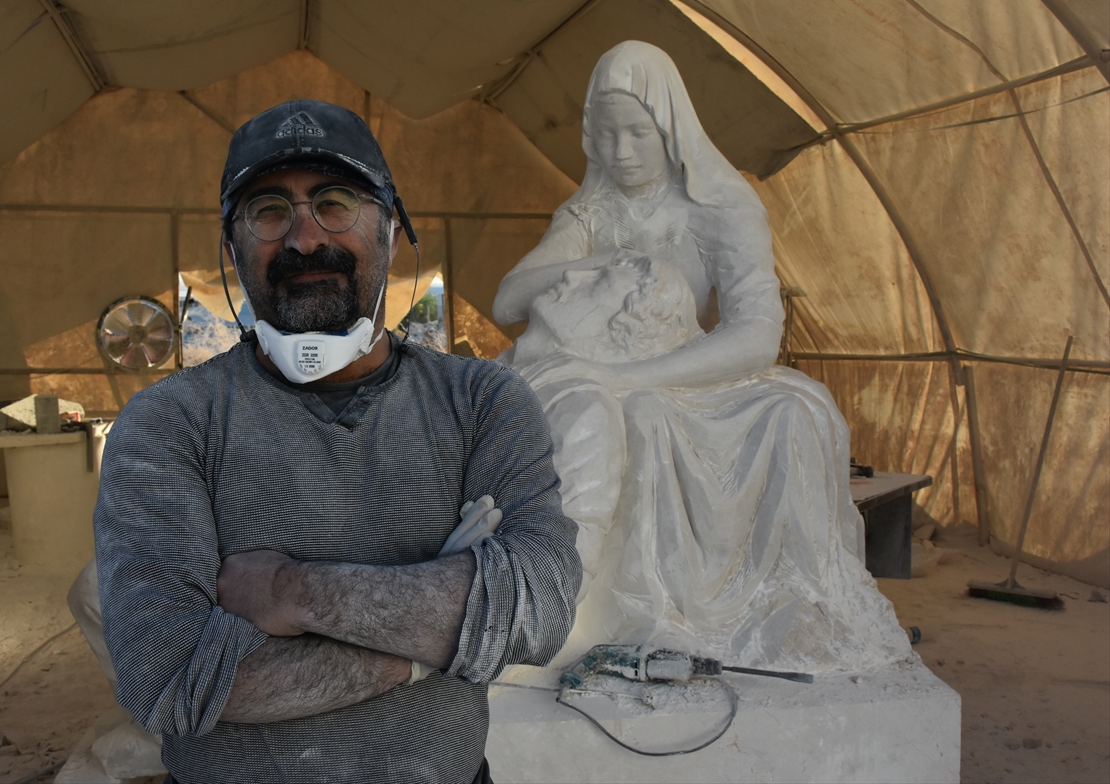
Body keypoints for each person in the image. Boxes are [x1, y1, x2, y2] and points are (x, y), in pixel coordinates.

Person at [94, 99, 581, 783]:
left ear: (391, 230)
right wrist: (438, 638)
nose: (302, 239)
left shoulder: (482, 403)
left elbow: (542, 605)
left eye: (336, 202)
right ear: (231, 247)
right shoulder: (170, 422)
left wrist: (296, 593)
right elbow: (171, 678)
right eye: (268, 210)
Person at [494, 42, 910, 674]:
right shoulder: (590, 212)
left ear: (670, 126)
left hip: (692, 367)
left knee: (797, 408)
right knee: (641, 417)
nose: (621, 151)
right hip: (611, 371)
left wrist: (628, 376)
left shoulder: (724, 205)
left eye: (637, 132)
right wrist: (596, 262)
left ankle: (788, 608)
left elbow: (755, 335)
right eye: (605, 136)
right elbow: (507, 300)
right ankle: (621, 611)